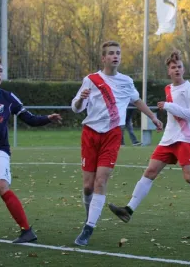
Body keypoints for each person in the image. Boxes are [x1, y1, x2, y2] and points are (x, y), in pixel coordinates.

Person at [71, 41, 163, 247]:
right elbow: (76, 108)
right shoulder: (91, 80)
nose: (115, 56)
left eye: (118, 53)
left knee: (100, 182)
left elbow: (137, 101)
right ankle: (89, 215)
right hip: (91, 134)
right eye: (111, 53)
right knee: (88, 186)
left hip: (112, 135)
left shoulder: (126, 81)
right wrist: (80, 100)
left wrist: (154, 118)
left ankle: (89, 228)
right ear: (103, 58)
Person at [107, 50, 190, 223]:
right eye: (173, 67)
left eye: (179, 67)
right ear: (168, 71)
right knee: (150, 171)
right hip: (169, 139)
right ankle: (128, 209)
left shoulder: (189, 88)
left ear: (183, 69)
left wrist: (169, 106)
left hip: (186, 139)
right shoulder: (168, 88)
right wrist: (160, 122)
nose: (177, 69)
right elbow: (172, 115)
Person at [0, 56, 62, 243]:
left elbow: (29, 118)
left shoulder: (8, 97)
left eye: (0, 71)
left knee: (1, 186)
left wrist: (47, 118)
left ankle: (27, 231)